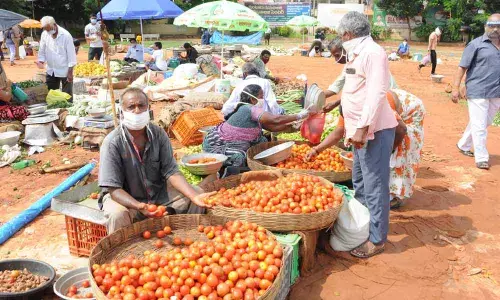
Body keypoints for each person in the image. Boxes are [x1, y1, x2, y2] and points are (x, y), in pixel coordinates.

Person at [99, 88, 214, 233]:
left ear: (148, 109)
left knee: (196, 193)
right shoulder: (112, 143)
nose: (137, 111)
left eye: (141, 106)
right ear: (121, 112)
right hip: (124, 198)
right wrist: (138, 206)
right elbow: (114, 189)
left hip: (156, 193)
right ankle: (121, 252)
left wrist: (194, 196)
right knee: (118, 215)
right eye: (131, 107)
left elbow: (171, 172)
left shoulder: (158, 134)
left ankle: (189, 237)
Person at [335, 11, 397, 258]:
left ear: (348, 34)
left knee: (375, 185)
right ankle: (362, 227)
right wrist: (333, 101)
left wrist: (362, 128)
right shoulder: (356, 52)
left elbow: (376, 91)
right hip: (357, 129)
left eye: (341, 36)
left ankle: (377, 239)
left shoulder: (373, 53)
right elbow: (352, 84)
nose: (341, 39)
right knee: (359, 182)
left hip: (374, 130)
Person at [310, 89, 425, 209]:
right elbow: (338, 132)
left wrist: (389, 151)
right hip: (389, 109)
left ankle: (396, 196)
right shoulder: (349, 109)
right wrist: (316, 150)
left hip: (411, 112)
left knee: (400, 152)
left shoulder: (379, 108)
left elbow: (401, 130)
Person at [203, 84, 311, 168]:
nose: (263, 99)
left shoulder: (252, 110)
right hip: (218, 143)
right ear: (252, 99)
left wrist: (292, 127)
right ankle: (232, 171)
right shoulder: (248, 108)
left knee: (263, 140)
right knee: (240, 157)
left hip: (239, 141)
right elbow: (275, 119)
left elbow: (272, 127)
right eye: (261, 96)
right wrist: (298, 116)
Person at [453, 14, 500, 170]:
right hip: (478, 90)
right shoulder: (475, 44)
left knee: (484, 122)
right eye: (492, 25)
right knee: (479, 125)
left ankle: (463, 144)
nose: (495, 29)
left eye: (498, 26)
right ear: (485, 26)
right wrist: (455, 87)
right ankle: (481, 157)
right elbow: (462, 67)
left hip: (496, 91)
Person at [322, 37, 398, 113]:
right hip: (376, 97)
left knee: (347, 107)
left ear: (346, 49)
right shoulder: (350, 65)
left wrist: (336, 103)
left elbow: (363, 94)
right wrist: (315, 96)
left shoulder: (364, 60)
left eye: (337, 55)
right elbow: (336, 86)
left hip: (389, 97)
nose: (336, 60)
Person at [36, 16, 77, 100]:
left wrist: (70, 72)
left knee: (67, 97)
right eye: (45, 29)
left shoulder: (66, 35)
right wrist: (41, 61)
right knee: (52, 96)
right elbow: (42, 50)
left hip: (64, 70)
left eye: (49, 29)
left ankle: (67, 110)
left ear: (54, 24)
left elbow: (71, 55)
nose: (48, 31)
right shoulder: (45, 34)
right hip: (51, 70)